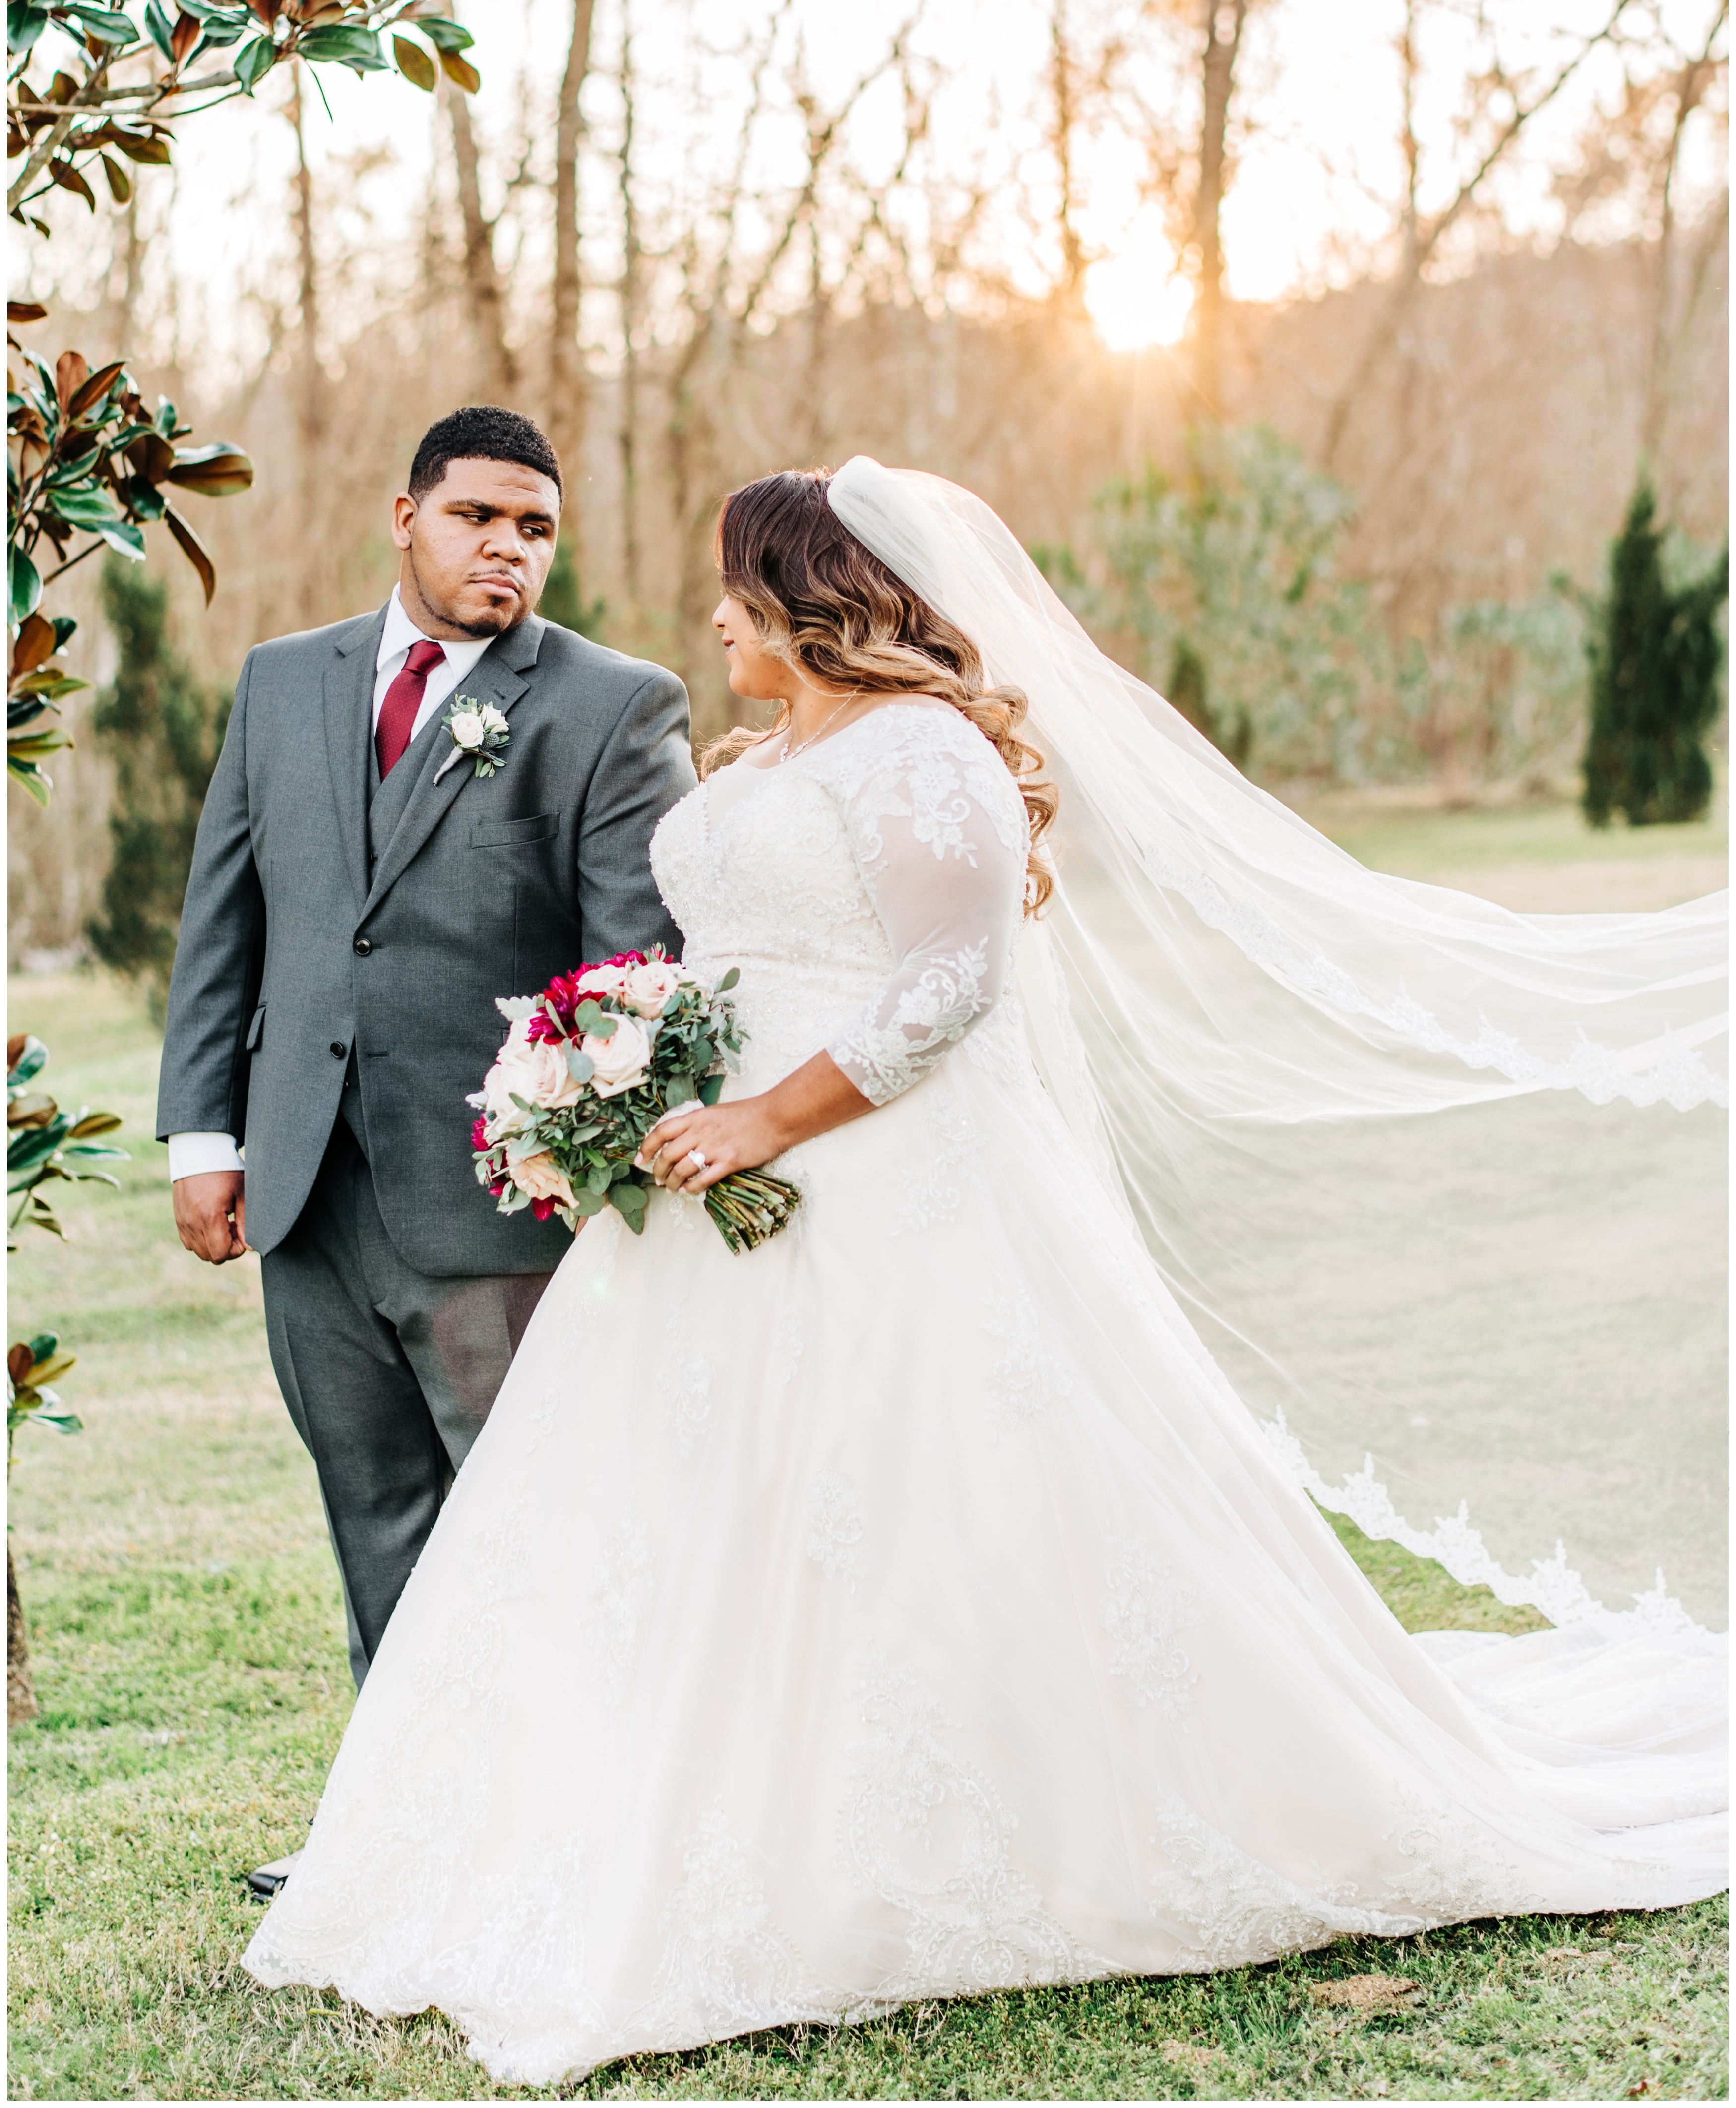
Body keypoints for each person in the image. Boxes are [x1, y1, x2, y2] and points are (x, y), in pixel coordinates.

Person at [243, 460, 1725, 2087]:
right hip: (702, 1191)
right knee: (687, 1526)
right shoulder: (765, 752)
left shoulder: (923, 747)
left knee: (919, 1492)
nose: (716, 616)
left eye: (737, 586)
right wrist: (622, 1068)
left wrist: (764, 1118)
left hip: (878, 1177)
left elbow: (949, 981)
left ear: (810, 590)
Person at [156, 405, 694, 1894]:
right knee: (372, 1509)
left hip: (497, 1213)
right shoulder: (280, 682)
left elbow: (636, 978)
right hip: (306, 1190)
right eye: (477, 518)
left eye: (533, 527)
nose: (506, 550)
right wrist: (206, 1133)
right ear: (406, 515)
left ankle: (565, 1832)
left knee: (529, 1523)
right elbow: (229, 926)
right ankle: (400, 1833)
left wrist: (577, 1173)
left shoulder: (613, 705)